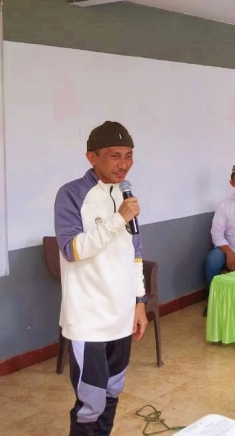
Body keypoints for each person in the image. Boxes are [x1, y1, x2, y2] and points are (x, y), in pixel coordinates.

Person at [53, 121, 149, 436]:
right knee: (89, 403)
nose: (124, 164)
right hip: (88, 320)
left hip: (121, 316)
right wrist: (117, 219)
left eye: (129, 155)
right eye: (114, 155)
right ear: (91, 157)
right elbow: (72, 250)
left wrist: (139, 303)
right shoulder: (71, 194)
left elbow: (135, 255)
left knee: (112, 391)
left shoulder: (126, 196)